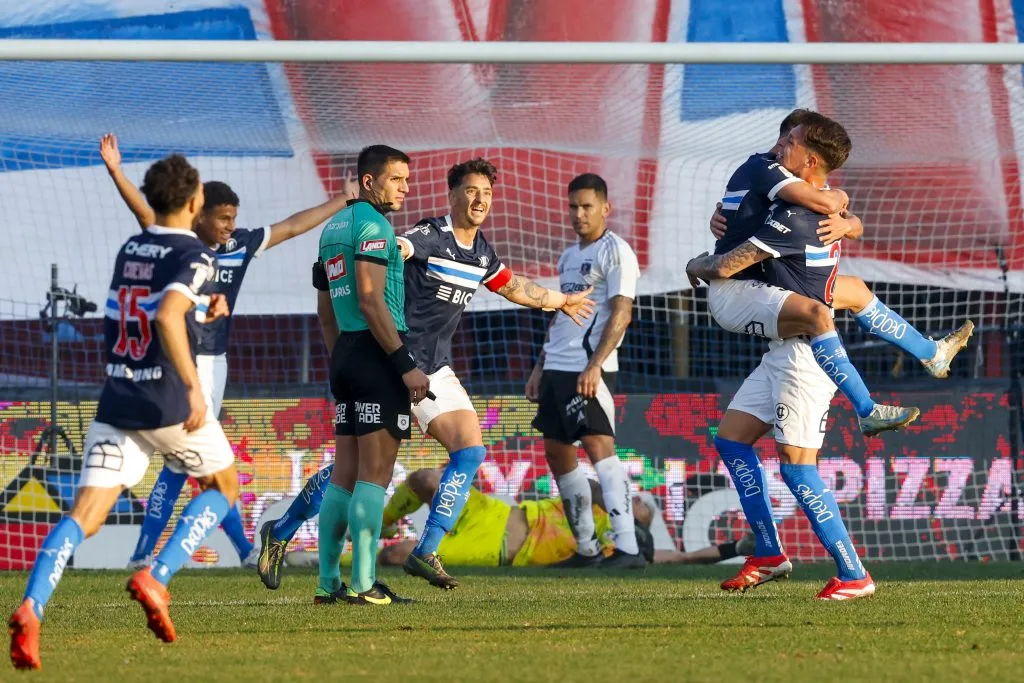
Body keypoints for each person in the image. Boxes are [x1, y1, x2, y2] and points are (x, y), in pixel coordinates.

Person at [258, 158, 595, 591]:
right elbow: (396, 248)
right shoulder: (428, 235)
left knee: (468, 450)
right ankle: (291, 535)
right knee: (360, 469)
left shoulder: (481, 253)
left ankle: (425, 550)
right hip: (400, 362)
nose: (480, 200)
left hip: (434, 368)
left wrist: (558, 300)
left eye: (487, 193)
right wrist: (382, 249)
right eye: (471, 191)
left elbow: (514, 287)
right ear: (452, 195)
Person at [9, 155, 239, 670]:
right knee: (224, 487)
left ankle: (31, 606)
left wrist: (204, 310)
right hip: (168, 402)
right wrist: (193, 389)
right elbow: (165, 314)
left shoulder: (132, 247)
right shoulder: (197, 254)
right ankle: (157, 576)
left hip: (118, 397)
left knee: (83, 517)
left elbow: (152, 305)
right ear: (195, 201)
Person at [99, 133, 358, 568]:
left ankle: (177, 552)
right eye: (222, 218)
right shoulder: (181, 245)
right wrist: (116, 172)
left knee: (190, 463)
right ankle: (199, 552)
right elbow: (144, 211)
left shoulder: (240, 245)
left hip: (214, 363)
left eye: (233, 217)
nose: (229, 226)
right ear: (198, 214)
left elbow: (294, 225)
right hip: (182, 360)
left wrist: (343, 200)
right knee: (187, 463)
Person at [687, 115, 876, 599]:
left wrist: (700, 263)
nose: (779, 147)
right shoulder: (804, 204)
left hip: (806, 358)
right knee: (731, 440)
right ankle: (768, 552)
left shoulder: (797, 211)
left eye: (789, 141)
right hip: (781, 352)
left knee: (796, 467)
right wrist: (850, 218)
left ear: (808, 160)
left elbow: (731, 265)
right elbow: (828, 207)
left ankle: (854, 573)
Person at [696, 112, 973, 436]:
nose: (784, 146)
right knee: (817, 317)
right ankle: (866, 408)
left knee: (855, 290)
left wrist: (847, 221)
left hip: (760, 280)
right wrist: (840, 198)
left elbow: (847, 218)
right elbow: (820, 200)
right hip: (740, 286)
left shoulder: (792, 181)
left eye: (791, 142)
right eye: (787, 140)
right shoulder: (766, 169)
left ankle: (932, 355)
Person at [311, 144, 428, 606]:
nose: (405, 187)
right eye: (396, 179)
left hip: (346, 354)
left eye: (406, 179)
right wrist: (405, 366)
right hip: (379, 354)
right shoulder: (374, 225)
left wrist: (343, 358)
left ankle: (327, 584)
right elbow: (369, 298)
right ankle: (363, 584)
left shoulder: (330, 229)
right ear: (368, 181)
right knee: (374, 476)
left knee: (344, 473)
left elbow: (325, 312)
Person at [525, 174, 645, 569]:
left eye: (587, 206)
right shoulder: (567, 256)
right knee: (557, 455)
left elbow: (622, 312)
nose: (578, 214)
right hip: (557, 367)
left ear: (605, 208)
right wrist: (539, 366)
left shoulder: (617, 252)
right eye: (573, 206)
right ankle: (587, 548)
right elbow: (562, 317)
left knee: (598, 448)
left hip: (587, 368)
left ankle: (627, 547)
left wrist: (595, 365)